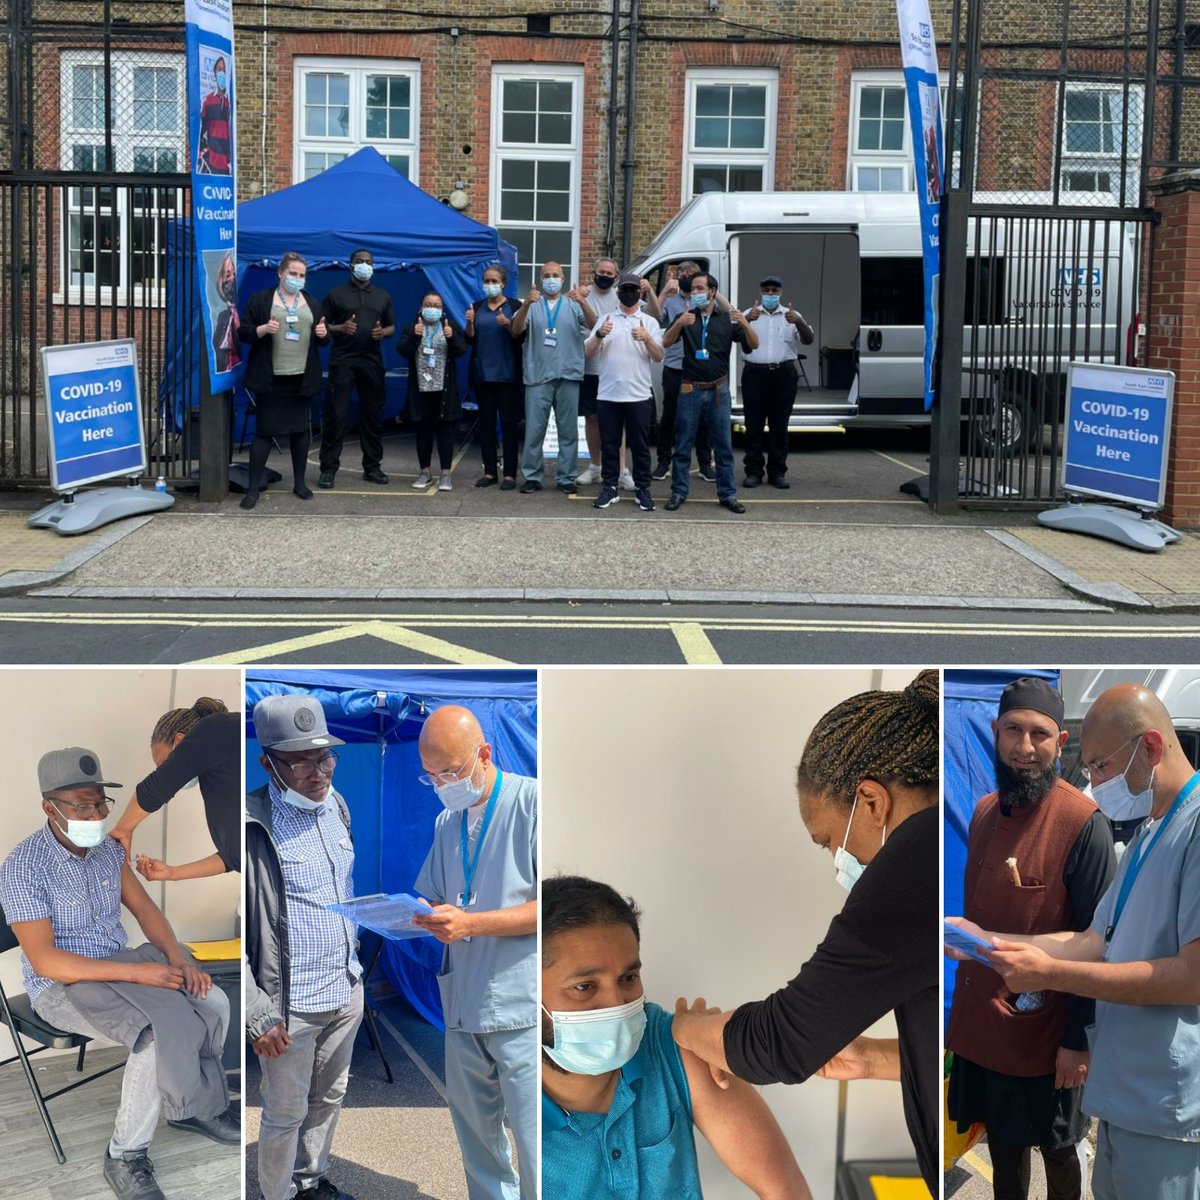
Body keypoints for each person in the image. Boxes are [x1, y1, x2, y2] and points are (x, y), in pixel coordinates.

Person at [670, 670, 941, 1193]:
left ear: (871, 801)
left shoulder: (913, 859)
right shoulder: (956, 828)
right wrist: (873, 1059)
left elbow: (777, 1043)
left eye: (829, 844)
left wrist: (680, 1029)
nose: (841, 864)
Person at [949, 683, 1200, 1200]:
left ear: (1150, 748)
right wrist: (986, 939)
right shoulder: (1150, 834)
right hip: (1125, 1095)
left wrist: (1050, 976)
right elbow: (1092, 939)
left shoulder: (1190, 830)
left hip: (1164, 1102)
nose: (1093, 782)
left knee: (1061, 1154)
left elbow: (1194, 976)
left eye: (1101, 767)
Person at [0, 746, 237, 1200]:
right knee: (153, 1038)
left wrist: (177, 959)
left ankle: (194, 1107)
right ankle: (125, 1155)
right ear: (49, 806)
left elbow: (146, 910)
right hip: (63, 986)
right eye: (82, 805)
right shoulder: (23, 867)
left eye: (100, 802)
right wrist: (141, 975)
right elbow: (46, 962)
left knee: (214, 1000)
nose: (96, 814)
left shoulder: (109, 851)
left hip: (123, 968)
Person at [944, 677, 1115, 1200]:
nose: (1024, 748)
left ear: (1060, 742)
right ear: (995, 733)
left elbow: (1099, 943)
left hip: (1047, 1031)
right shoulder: (983, 811)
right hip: (984, 1027)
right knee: (1002, 1142)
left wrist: (1076, 1040)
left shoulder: (1084, 824)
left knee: (1059, 1147)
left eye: (1039, 734)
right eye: (1013, 731)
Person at [542, 875, 814, 1200]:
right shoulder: (498, 1104)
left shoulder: (675, 1048)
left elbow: (786, 1191)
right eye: (585, 987)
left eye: (628, 978)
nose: (617, 1004)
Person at [410, 705, 537, 1200]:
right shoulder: (447, 821)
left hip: (520, 1006)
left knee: (535, 1143)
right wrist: (418, 911)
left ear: (484, 754)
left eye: (449, 771)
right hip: (462, 1007)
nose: (441, 783)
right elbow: (436, 893)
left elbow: (557, 909)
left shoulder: (533, 804)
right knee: (478, 1143)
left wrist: (471, 923)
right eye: (430, 776)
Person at [246, 693, 362, 1200]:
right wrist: (257, 1012)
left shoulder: (337, 805)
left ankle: (310, 1182)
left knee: (330, 1096)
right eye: (299, 762)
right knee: (284, 1112)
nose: (317, 772)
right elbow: (239, 930)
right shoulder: (251, 826)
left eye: (325, 757)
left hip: (345, 988)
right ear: (267, 762)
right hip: (289, 1007)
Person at [105, 696, 241, 881]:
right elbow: (233, 857)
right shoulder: (220, 776)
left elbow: (156, 788)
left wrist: (123, 830)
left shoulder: (216, 728)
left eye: (164, 765)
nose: (164, 772)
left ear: (180, 741)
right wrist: (172, 873)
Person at [238, 252, 329, 510]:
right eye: (293, 274)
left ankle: (299, 483)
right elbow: (243, 332)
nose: (297, 279)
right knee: (264, 433)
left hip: (301, 378)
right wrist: (263, 329)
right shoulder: (262, 300)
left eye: (302, 275)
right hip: (271, 377)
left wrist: (323, 335)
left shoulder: (311, 303)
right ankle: (253, 489)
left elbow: (323, 339)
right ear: (280, 273)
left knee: (300, 432)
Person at [661, 272, 757, 513]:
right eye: (693, 289)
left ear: (712, 291)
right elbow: (665, 342)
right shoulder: (686, 317)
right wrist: (679, 325)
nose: (695, 293)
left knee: (723, 446)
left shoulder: (725, 319)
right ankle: (678, 492)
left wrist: (745, 322)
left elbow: (753, 345)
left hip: (718, 391)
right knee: (682, 445)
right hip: (690, 389)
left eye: (700, 288)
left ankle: (728, 494)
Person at [510, 261, 595, 495]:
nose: (551, 279)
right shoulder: (532, 304)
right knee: (534, 430)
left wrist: (583, 301)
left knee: (568, 430)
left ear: (563, 278)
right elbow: (516, 330)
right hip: (538, 375)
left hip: (568, 373)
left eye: (555, 275)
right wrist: (526, 304)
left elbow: (594, 325)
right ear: (539, 278)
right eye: (546, 275)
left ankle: (566, 476)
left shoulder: (573, 304)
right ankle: (532, 476)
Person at [583, 272, 663, 512]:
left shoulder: (649, 322)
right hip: (608, 394)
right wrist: (599, 334)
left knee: (640, 446)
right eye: (625, 289)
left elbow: (658, 356)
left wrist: (647, 339)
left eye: (633, 289)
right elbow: (588, 352)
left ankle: (643, 489)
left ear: (640, 293)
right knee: (609, 444)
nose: (629, 293)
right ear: (618, 293)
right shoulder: (606, 319)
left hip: (639, 395)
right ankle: (610, 487)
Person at [318, 249, 396, 490]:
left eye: (369, 262)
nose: (364, 265)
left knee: (372, 415)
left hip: (372, 362)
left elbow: (392, 326)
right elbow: (321, 325)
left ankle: (372, 467)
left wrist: (382, 332)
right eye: (360, 261)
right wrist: (340, 328)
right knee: (337, 415)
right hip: (343, 360)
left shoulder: (382, 296)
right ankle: (328, 469)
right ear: (350, 265)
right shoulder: (335, 295)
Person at [741, 275, 814, 490]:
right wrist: (748, 321)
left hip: (783, 374)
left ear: (781, 292)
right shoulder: (749, 314)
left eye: (774, 290)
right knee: (753, 425)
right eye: (767, 290)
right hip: (755, 373)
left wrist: (798, 322)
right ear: (760, 291)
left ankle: (777, 472)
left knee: (779, 426)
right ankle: (753, 471)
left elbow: (809, 340)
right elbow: (739, 341)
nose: (770, 294)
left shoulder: (791, 315)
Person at [396, 293, 468, 492]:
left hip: (443, 389)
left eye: (436, 305)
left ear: (442, 308)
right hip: (420, 389)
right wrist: (415, 336)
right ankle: (425, 472)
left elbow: (461, 350)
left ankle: (446, 474)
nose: (432, 308)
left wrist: (451, 338)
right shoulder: (412, 328)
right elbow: (402, 350)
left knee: (445, 431)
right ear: (421, 307)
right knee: (423, 431)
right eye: (428, 304)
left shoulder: (449, 327)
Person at [465, 263, 523, 490]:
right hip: (484, 375)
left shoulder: (514, 306)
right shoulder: (477, 307)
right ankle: (489, 472)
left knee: (509, 425)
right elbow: (469, 339)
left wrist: (508, 324)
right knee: (486, 425)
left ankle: (509, 474)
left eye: (494, 281)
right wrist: (469, 322)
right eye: (486, 281)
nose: (490, 285)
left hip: (508, 375)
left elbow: (520, 337)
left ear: (503, 283)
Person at [654, 262, 714, 482]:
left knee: (703, 419)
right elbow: (653, 316)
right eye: (683, 274)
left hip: (698, 368)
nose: (687, 277)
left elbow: (727, 312)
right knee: (669, 417)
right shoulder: (671, 301)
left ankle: (705, 464)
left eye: (691, 275)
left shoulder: (708, 302)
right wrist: (663, 293)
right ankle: (663, 463)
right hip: (674, 366)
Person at [574, 258, 627, 490]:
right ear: (593, 273)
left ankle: (622, 469)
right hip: (590, 367)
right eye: (601, 271)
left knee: (619, 420)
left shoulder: (621, 297)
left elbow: (597, 325)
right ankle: (595, 467)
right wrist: (575, 298)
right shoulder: (581, 295)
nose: (604, 275)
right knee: (592, 418)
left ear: (616, 276)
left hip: (616, 367)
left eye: (609, 272)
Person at [197, 56, 231, 175]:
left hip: (231, 164)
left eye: (224, 70)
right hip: (213, 162)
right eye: (219, 70)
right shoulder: (208, 101)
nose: (222, 73)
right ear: (215, 73)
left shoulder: (232, 101)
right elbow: (201, 130)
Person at [211, 251, 241, 373]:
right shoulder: (223, 316)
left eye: (234, 274)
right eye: (228, 275)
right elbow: (217, 345)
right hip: (225, 367)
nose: (232, 279)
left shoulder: (244, 311)